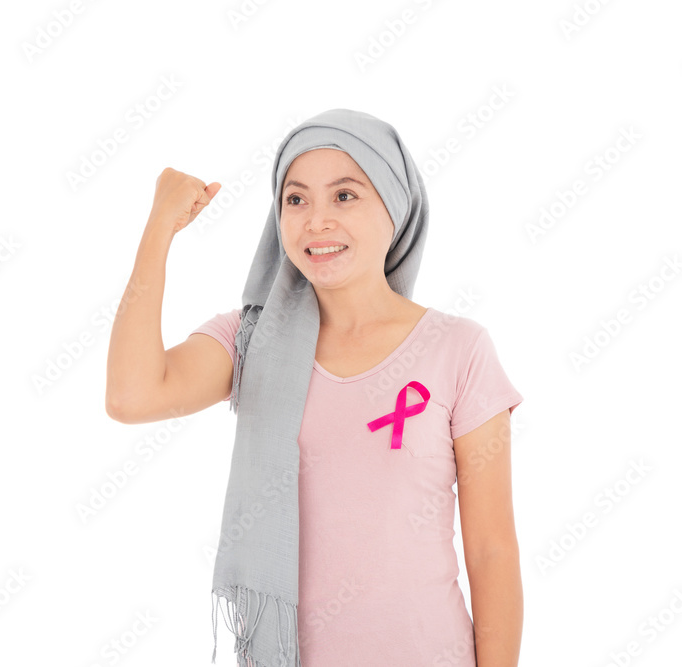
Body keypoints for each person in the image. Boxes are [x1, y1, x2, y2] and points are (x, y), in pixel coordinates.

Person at [105, 110, 523, 667]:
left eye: (345, 196)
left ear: (395, 208)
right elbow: (131, 397)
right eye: (295, 200)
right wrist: (158, 228)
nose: (316, 221)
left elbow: (492, 551)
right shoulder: (249, 341)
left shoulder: (459, 349)